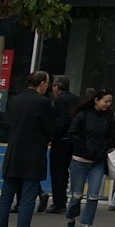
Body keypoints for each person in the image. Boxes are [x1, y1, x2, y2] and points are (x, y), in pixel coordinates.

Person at [0, 72, 63, 227]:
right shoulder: (43, 102)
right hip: (33, 155)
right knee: (28, 198)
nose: (47, 86)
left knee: (6, 197)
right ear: (42, 83)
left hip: (13, 153)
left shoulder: (15, 100)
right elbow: (50, 128)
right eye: (47, 83)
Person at [64, 89, 115, 227]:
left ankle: (86, 226)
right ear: (96, 100)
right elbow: (72, 133)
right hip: (79, 160)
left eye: (110, 102)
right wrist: (83, 148)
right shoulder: (83, 114)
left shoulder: (108, 116)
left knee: (93, 195)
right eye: (105, 101)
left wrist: (105, 149)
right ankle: (71, 220)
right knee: (76, 195)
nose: (108, 104)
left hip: (98, 161)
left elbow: (112, 135)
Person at [44, 77, 76, 213]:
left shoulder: (59, 100)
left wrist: (51, 135)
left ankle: (59, 202)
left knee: (57, 171)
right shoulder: (76, 99)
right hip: (73, 140)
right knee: (66, 171)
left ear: (56, 87)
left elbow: (60, 120)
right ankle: (66, 199)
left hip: (61, 139)